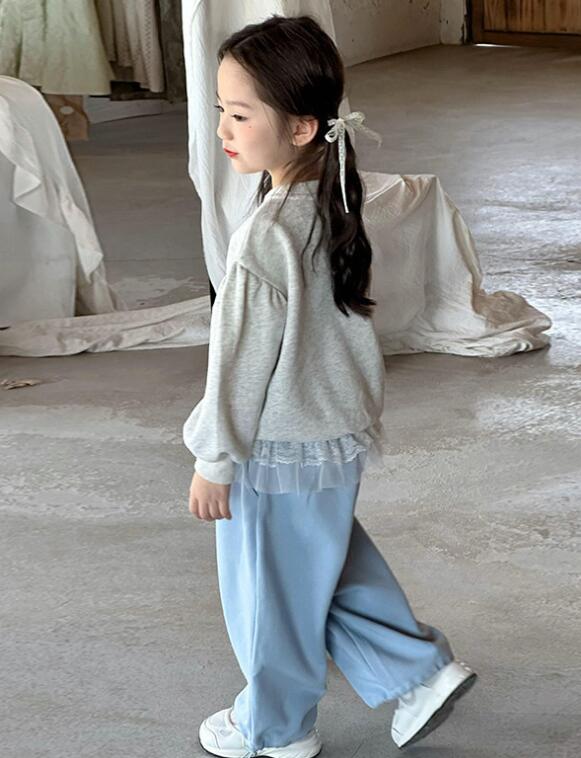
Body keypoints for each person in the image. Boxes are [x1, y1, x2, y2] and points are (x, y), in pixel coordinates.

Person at [183, 14, 477, 758]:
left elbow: (239, 361)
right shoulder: (335, 205)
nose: (222, 128)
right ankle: (418, 672)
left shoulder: (265, 235)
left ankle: (276, 728)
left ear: (302, 127)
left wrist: (215, 457)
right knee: (330, 564)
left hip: (276, 446)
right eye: (220, 110)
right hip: (333, 435)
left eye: (239, 114)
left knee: (269, 594)